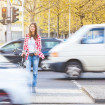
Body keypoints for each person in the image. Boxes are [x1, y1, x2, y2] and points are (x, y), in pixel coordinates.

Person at [22, 23, 45, 93]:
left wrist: (37, 52)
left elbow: (39, 47)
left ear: (35, 28)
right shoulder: (27, 36)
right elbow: (25, 46)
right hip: (28, 56)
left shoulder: (38, 37)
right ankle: (28, 87)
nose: (32, 28)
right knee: (28, 72)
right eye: (31, 27)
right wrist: (23, 52)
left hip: (35, 56)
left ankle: (34, 87)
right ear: (29, 28)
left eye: (33, 27)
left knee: (35, 73)